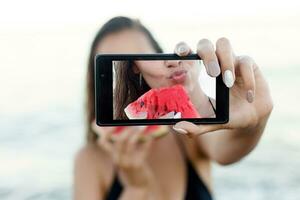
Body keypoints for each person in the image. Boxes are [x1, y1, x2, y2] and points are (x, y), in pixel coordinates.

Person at [74, 16, 273, 200]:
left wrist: (254, 121)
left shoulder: (186, 132)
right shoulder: (89, 160)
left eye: (140, 54)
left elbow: (227, 151)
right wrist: (136, 188)